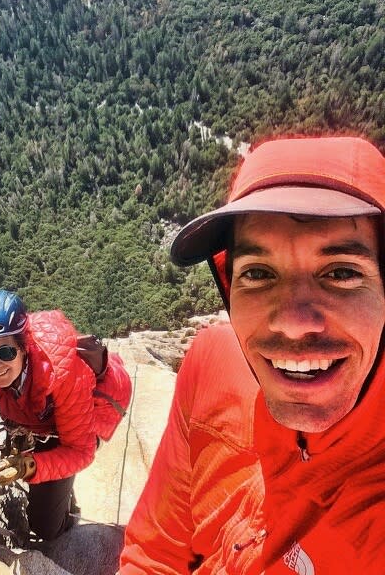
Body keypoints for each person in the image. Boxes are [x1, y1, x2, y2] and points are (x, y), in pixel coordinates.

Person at [119, 136, 385, 573]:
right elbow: (154, 554)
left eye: (341, 272)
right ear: (228, 287)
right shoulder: (212, 364)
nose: (294, 322)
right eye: (259, 274)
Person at [0, 289, 131, 541]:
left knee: (46, 527)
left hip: (77, 416)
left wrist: (29, 466)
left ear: (23, 345)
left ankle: (69, 511)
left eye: (5, 352)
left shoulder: (65, 374)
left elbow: (80, 451)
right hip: (30, 411)